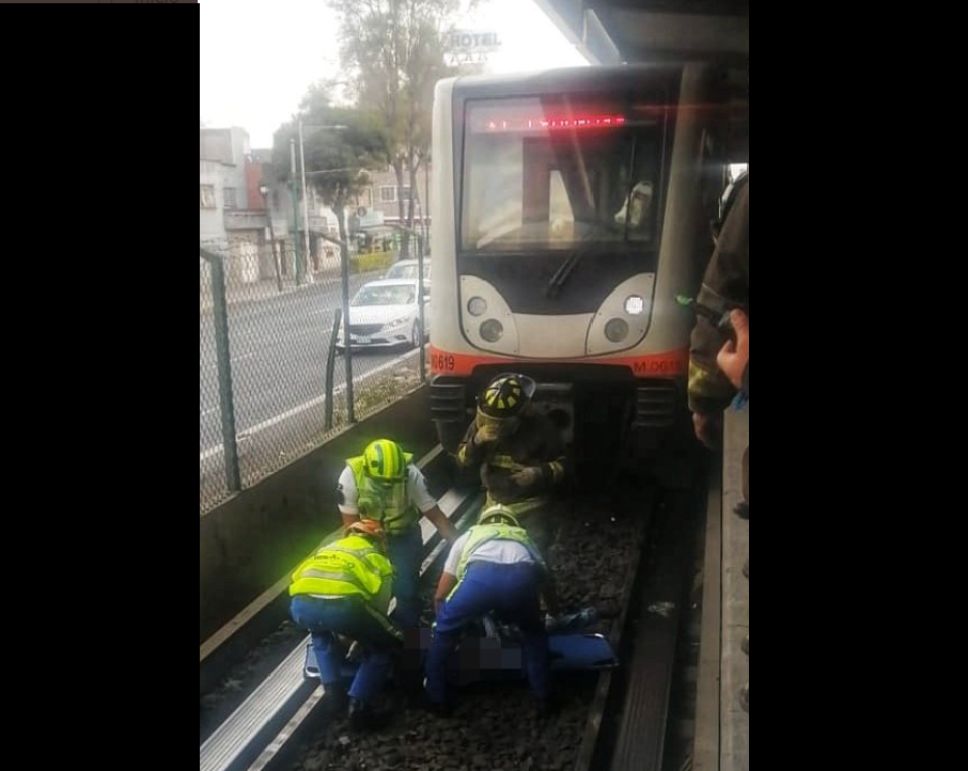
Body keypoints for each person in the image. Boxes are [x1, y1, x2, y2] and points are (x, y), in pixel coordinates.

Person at [424, 504, 559, 716]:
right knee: (533, 634)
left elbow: (441, 594)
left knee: (442, 635)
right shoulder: (523, 537)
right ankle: (544, 697)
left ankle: (437, 700)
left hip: (479, 580)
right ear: (512, 522)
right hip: (519, 580)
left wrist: (446, 625)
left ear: (483, 520)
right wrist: (553, 613)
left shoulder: (468, 535)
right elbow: (547, 582)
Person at [337, 438, 459, 632]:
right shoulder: (350, 477)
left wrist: (462, 548)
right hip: (368, 538)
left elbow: (437, 518)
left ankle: (409, 635)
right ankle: (379, 634)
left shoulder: (412, 475)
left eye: (392, 482)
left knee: (407, 590)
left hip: (404, 536)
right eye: (381, 482)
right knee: (371, 590)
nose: (387, 487)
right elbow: (351, 527)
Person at [289, 520, 401, 730]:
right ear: (379, 541)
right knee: (385, 645)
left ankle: (333, 694)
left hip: (301, 605)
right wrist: (361, 639)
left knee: (319, 632)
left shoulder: (328, 549)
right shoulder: (377, 558)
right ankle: (358, 708)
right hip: (343, 608)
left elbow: (299, 579)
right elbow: (379, 611)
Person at [455, 373, 568, 555]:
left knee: (532, 557)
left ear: (522, 414)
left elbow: (566, 466)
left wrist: (537, 473)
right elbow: (461, 462)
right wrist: (476, 441)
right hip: (493, 506)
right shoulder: (481, 427)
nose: (495, 428)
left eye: (502, 424)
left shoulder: (543, 428)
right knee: (482, 554)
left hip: (531, 509)